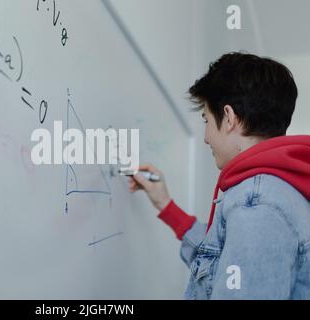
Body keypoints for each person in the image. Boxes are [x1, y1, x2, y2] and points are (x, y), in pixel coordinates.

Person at [129, 52, 310, 299]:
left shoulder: (256, 205)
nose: (205, 137)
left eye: (206, 120)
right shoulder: (274, 190)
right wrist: (166, 205)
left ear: (228, 117)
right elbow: (218, 259)